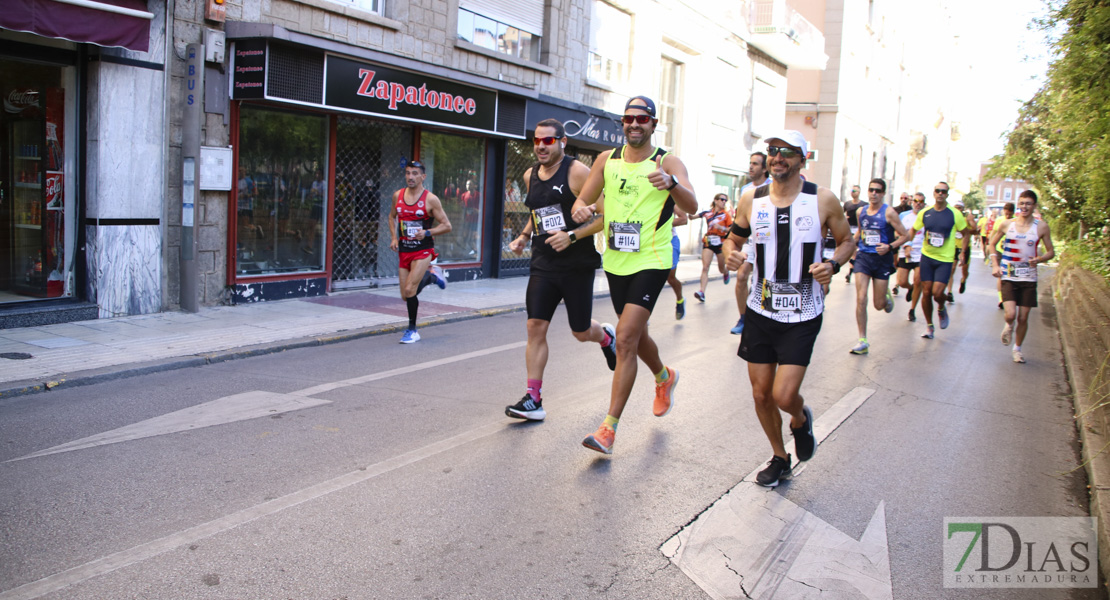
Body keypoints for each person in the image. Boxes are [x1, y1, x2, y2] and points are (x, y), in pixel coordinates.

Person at [724, 130, 854, 487]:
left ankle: (799, 418)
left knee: (783, 395)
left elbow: (846, 241)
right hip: (761, 309)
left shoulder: (823, 200)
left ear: (802, 159)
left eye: (787, 152)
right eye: (773, 151)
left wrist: (834, 264)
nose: (778, 157)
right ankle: (780, 457)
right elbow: (733, 237)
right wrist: (730, 254)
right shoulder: (752, 199)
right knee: (761, 394)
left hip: (803, 312)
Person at [570, 95, 699, 455]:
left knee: (624, 339)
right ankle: (664, 376)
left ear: (654, 124)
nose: (634, 124)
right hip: (615, 260)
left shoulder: (666, 161)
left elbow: (692, 205)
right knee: (635, 335)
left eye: (642, 118)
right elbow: (584, 199)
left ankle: (608, 429)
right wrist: (580, 210)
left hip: (652, 259)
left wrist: (672, 183)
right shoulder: (606, 160)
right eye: (628, 118)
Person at [504, 119, 616, 421]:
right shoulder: (530, 175)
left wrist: (572, 236)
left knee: (580, 332)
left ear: (562, 142)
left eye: (548, 141)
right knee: (534, 327)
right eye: (537, 141)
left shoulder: (577, 172)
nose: (541, 146)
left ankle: (605, 337)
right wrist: (524, 236)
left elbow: (605, 217)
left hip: (576, 265)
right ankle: (534, 398)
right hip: (543, 262)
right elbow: (537, 213)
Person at [898, 182, 972, 339]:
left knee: (937, 293)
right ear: (934, 193)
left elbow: (966, 233)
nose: (940, 193)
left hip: (944, 259)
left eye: (943, 191)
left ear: (947, 194)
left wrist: (963, 252)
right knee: (926, 291)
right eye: (938, 191)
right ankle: (929, 326)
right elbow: (913, 230)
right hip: (927, 257)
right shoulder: (925, 213)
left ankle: (941, 307)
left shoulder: (954, 214)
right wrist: (905, 244)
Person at [388, 160, 451, 343]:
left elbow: (447, 225)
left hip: (423, 250)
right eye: (408, 173)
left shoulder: (430, 199)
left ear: (423, 177)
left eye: (415, 173)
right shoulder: (397, 196)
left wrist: (427, 232)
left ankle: (412, 330)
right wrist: (393, 238)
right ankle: (432, 276)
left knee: (409, 289)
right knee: (405, 295)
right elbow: (392, 217)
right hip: (404, 250)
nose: (410, 177)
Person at [989, 190, 1054, 364]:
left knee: (1023, 317)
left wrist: (1039, 259)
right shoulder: (1007, 224)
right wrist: (995, 264)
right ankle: (1008, 325)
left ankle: (1017, 349)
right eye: (1022, 203)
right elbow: (992, 244)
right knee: (1010, 314)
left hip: (1028, 277)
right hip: (1009, 275)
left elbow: (1051, 252)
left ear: (1034, 206)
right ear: (1018, 204)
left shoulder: (1041, 227)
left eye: (1028, 203)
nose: (1024, 206)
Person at [848, 178, 908, 354]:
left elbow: (905, 235)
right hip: (864, 257)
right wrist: (850, 246)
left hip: (882, 260)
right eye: (871, 190)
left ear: (883, 193)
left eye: (878, 191)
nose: (874, 193)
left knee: (879, 305)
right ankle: (862, 340)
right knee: (861, 298)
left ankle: (885, 298)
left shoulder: (889, 213)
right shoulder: (861, 211)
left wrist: (889, 246)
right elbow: (860, 232)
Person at [732, 152, 768, 335]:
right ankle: (744, 318)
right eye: (750, 163)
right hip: (750, 239)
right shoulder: (745, 189)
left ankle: (762, 317)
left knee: (762, 280)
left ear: (765, 168)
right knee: (741, 277)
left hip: (769, 240)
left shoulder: (773, 186)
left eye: (755, 164)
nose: (751, 167)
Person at [689, 194, 733, 302]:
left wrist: (721, 227)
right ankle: (702, 292)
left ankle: (726, 272)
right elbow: (691, 217)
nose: (724, 202)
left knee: (721, 268)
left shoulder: (726, 215)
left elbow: (731, 229)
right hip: (708, 242)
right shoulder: (707, 213)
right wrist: (688, 207)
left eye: (725, 200)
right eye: (722, 200)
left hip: (720, 243)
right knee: (705, 267)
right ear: (716, 200)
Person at [896, 192, 926, 321]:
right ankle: (910, 288)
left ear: (924, 203)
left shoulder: (926, 216)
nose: (918, 203)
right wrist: (906, 245)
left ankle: (912, 309)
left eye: (921, 201)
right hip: (905, 251)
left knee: (918, 280)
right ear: (911, 201)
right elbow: (897, 231)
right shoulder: (904, 215)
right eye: (916, 200)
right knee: (902, 282)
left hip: (920, 252)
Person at [945, 197, 973, 302]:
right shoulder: (951, 217)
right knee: (951, 269)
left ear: (963, 209)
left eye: (960, 208)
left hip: (965, 246)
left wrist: (965, 229)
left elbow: (974, 229)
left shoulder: (967, 217)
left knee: (964, 270)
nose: (958, 210)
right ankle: (949, 292)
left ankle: (963, 280)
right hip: (954, 245)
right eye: (956, 207)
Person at [668, 207, 689, 319]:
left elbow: (683, 219)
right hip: (648, 241)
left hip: (670, 240)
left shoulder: (669, 195)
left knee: (670, 278)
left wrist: (659, 222)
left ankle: (680, 299)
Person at [842, 184, 866, 283]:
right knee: (852, 251)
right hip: (849, 229)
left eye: (855, 191)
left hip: (859, 230)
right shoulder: (847, 204)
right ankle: (851, 271)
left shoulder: (864, 204)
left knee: (854, 251)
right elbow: (841, 215)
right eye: (851, 190)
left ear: (859, 192)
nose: (853, 192)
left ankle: (852, 272)